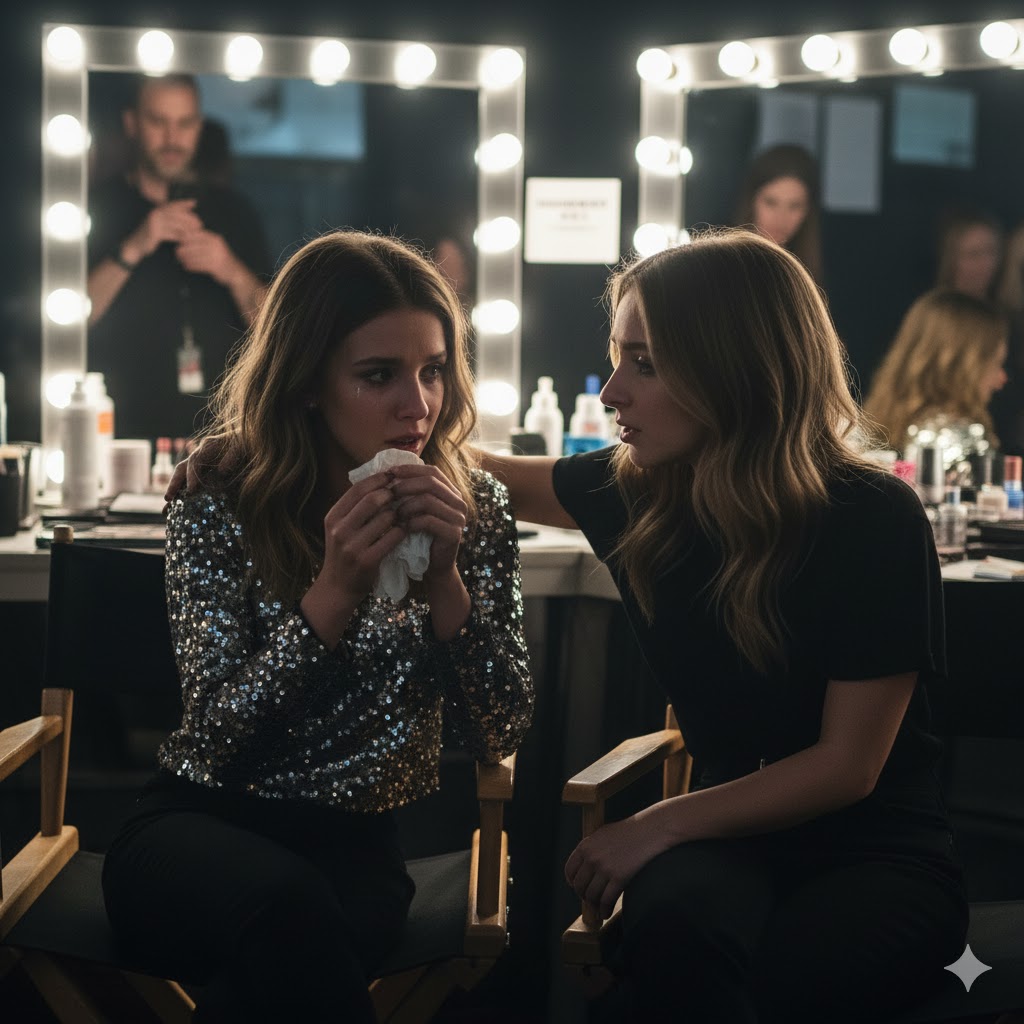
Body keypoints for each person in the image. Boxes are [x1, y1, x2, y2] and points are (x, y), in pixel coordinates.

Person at [169, 229, 968, 1021]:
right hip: (729, 845)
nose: (613, 389)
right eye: (620, 356)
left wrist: (653, 825)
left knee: (794, 974)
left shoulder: (873, 515)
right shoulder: (644, 493)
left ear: (735, 372)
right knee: (673, 934)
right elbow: (444, 457)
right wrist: (265, 438)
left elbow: (847, 769)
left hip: (875, 847)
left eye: (644, 363)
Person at [101, 229, 533, 1023]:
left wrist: (447, 583)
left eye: (433, 370)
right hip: (196, 827)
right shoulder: (223, 500)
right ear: (307, 383)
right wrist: (332, 594)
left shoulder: (474, 511)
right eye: (379, 375)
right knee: (287, 922)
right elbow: (215, 738)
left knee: (276, 962)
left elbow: (500, 724)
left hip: (356, 850)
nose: (419, 404)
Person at [87, 73, 273, 443]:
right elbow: (68, 320)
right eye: (158, 122)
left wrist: (231, 270)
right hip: (120, 434)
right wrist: (135, 245)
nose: (172, 138)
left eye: (185, 123)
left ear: (199, 127)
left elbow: (276, 331)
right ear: (132, 123)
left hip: (222, 435)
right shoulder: (97, 207)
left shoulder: (235, 212)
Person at [862, 289, 1009, 456]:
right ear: (961, 367)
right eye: (995, 364)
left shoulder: (867, 435)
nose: (1001, 379)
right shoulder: (962, 440)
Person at [733, 143, 822, 282]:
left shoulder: (807, 274)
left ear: (808, 211)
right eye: (771, 202)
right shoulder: (720, 263)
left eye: (794, 206)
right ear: (751, 201)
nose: (781, 218)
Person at [933, 207, 1003, 301]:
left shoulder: (1003, 308)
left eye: (992, 251)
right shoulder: (938, 311)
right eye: (974, 255)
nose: (988, 263)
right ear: (951, 260)